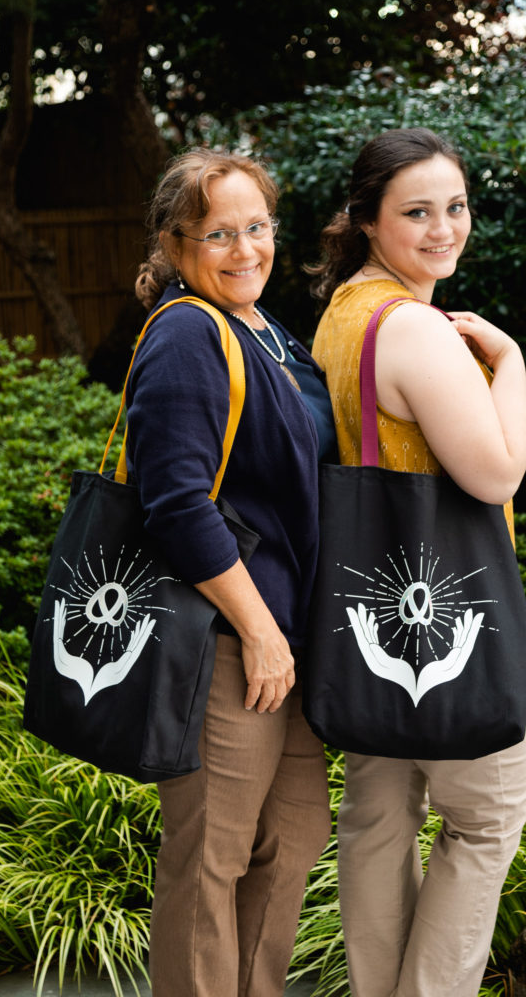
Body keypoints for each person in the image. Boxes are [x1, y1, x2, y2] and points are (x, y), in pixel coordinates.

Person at [310, 127, 526, 997]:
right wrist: (507, 362)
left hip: (373, 622)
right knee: (483, 820)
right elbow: (495, 470)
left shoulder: (341, 317)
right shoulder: (416, 331)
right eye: (417, 212)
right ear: (366, 219)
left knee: (375, 819)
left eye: (455, 206)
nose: (444, 229)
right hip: (452, 620)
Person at [127, 148, 334, 997]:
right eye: (219, 233)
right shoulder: (187, 331)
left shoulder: (266, 329)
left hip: (288, 641)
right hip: (228, 642)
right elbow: (175, 503)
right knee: (210, 859)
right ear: (178, 245)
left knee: (289, 844)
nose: (244, 248)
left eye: (256, 227)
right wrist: (257, 631)